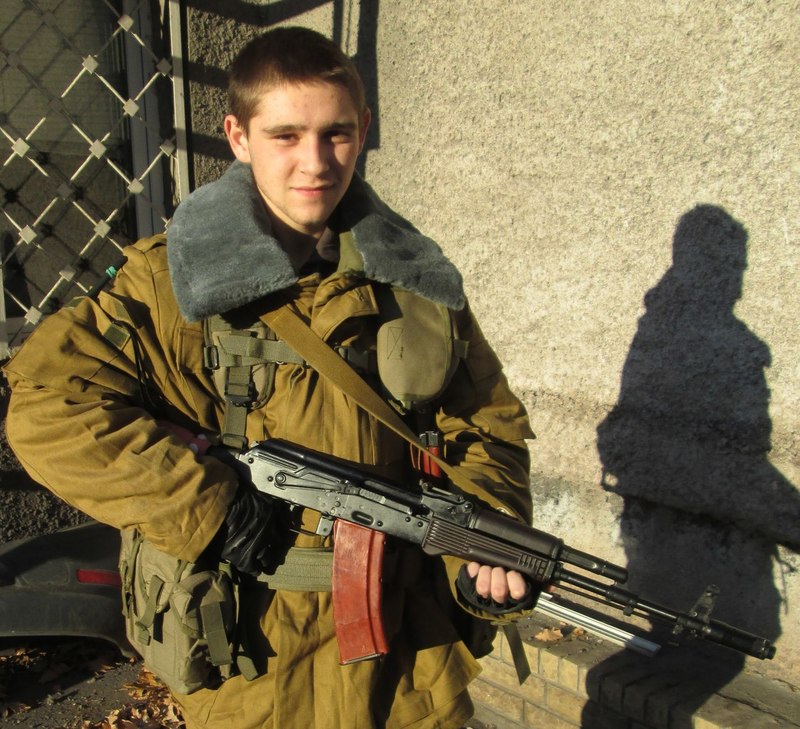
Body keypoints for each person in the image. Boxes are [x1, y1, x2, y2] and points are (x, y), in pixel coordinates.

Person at [3, 26, 535, 729]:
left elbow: (488, 424)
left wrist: (485, 544)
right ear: (238, 136)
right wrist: (208, 507)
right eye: (285, 135)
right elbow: (48, 406)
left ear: (363, 128)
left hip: (407, 659)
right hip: (251, 665)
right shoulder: (169, 284)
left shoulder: (416, 281)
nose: (315, 162)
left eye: (336, 133)